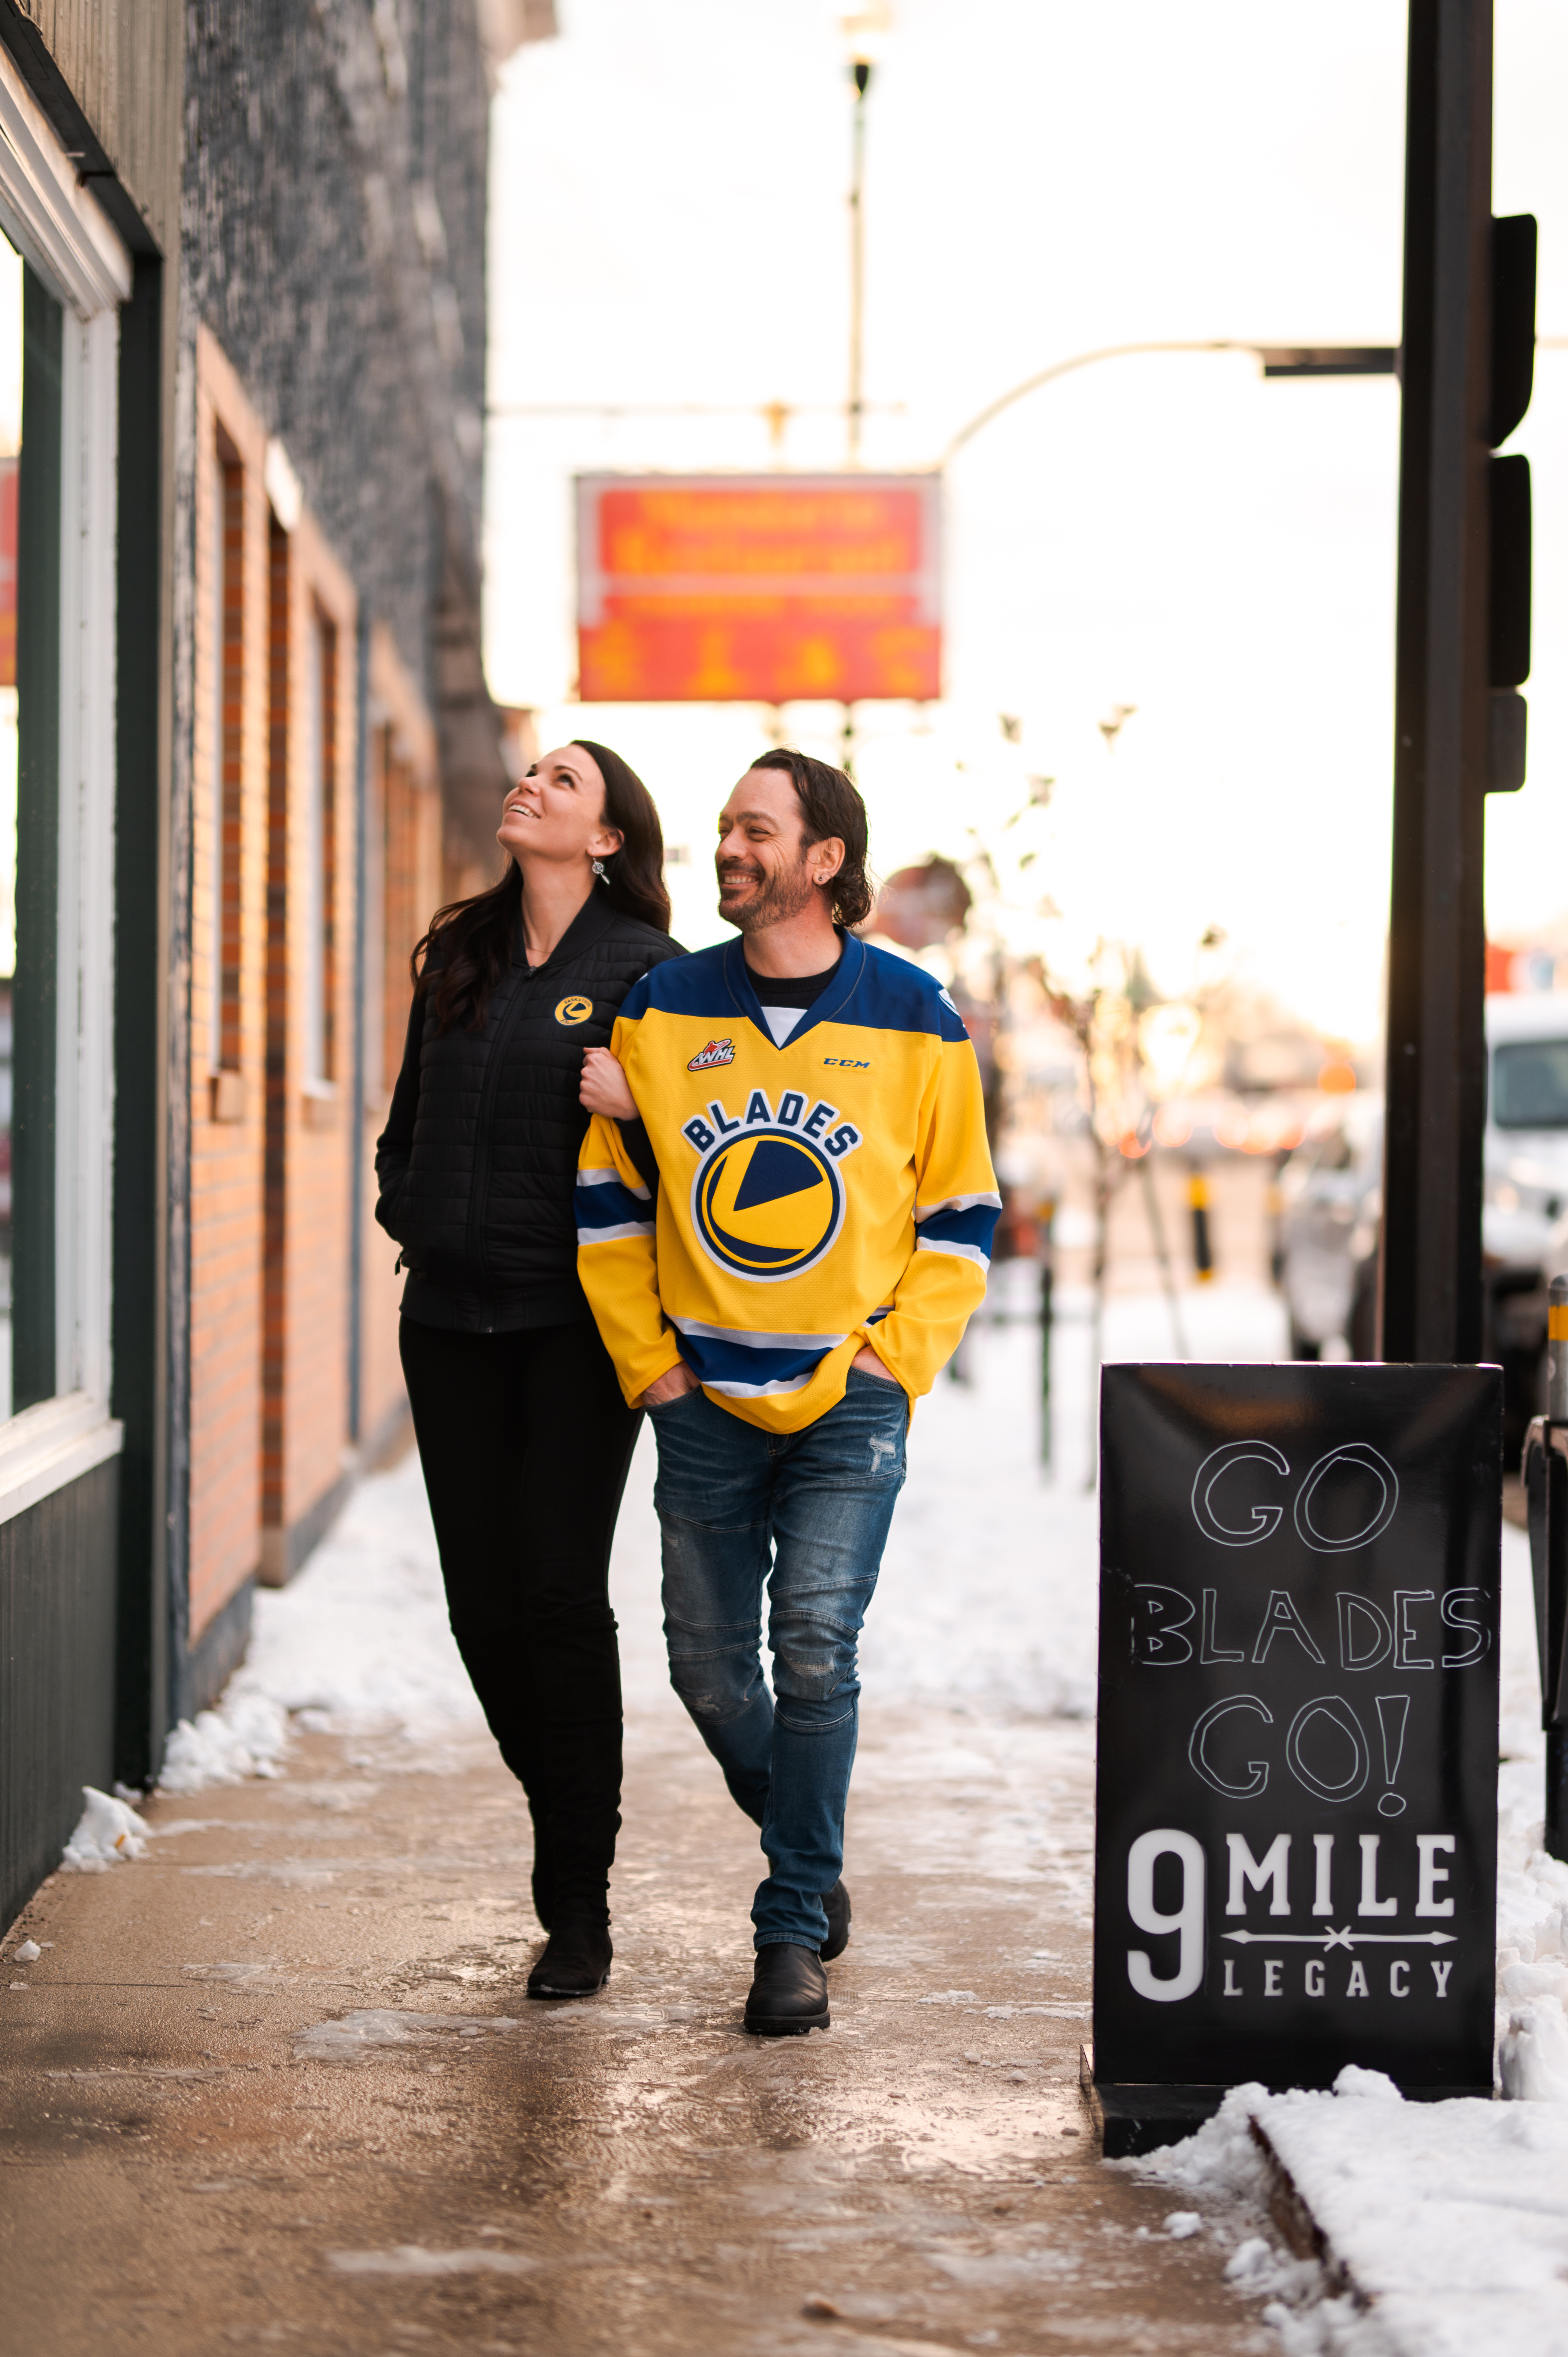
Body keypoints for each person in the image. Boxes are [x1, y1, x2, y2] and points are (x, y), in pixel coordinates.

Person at [573, 748, 999, 2035]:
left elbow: (961, 1214)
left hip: (848, 1398)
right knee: (709, 1670)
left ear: (826, 861)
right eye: (723, 829)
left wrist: (894, 1355)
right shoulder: (661, 1007)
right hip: (699, 1392)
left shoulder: (916, 1018)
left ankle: (790, 1923)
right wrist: (649, 1366)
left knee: (813, 1651)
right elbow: (609, 1202)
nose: (730, 849)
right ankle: (809, 1839)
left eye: (757, 831)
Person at [375, 740, 682, 2001]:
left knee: (557, 1600)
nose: (529, 787)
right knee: (479, 1610)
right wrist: (403, 1200)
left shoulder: (650, 973)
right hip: (446, 1320)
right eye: (529, 774)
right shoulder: (462, 951)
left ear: (607, 838)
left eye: (563, 783)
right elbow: (407, 1113)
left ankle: (577, 1904)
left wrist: (641, 1103)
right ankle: (568, 1815)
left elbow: (699, 1166)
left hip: (572, 1329)